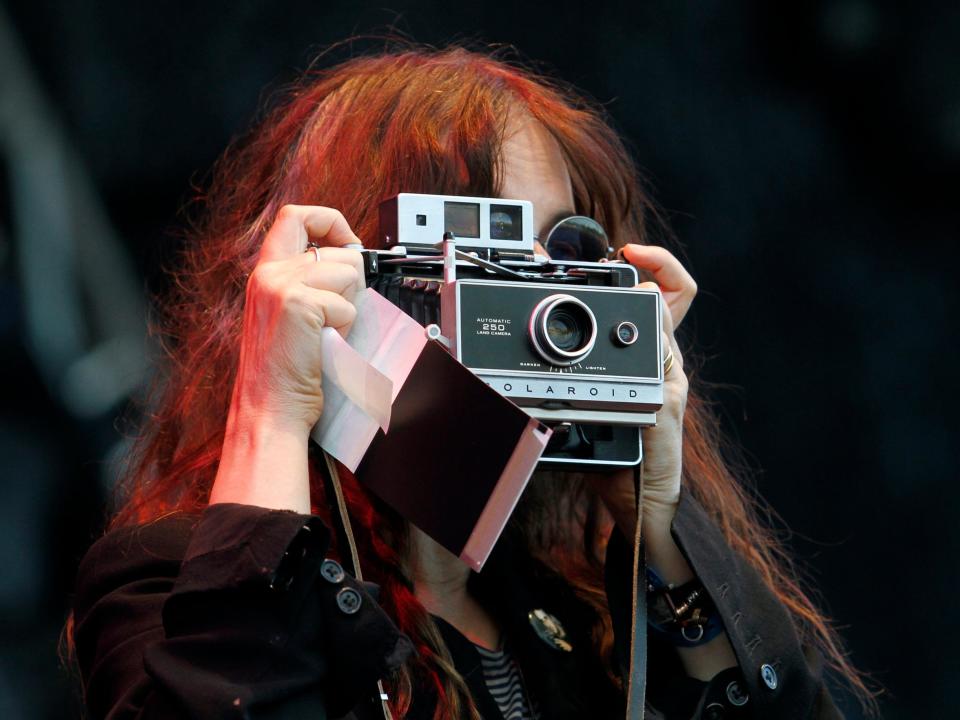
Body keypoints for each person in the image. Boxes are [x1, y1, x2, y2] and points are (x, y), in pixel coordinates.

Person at [70, 45, 872, 719]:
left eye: (557, 260)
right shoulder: (169, 589)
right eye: (483, 264)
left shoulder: (572, 608)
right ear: (345, 280)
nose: (538, 306)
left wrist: (659, 521)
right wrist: (272, 412)